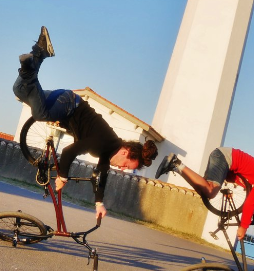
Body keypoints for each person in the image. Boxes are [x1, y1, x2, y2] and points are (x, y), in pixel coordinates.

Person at [13, 26, 158, 220]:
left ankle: (40, 52)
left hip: (65, 102)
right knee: (40, 113)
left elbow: (101, 178)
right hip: (68, 104)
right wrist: (63, 176)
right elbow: (68, 151)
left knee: (20, 90)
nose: (122, 169)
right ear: (125, 152)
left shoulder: (107, 152)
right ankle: (31, 70)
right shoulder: (103, 143)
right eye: (126, 165)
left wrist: (99, 204)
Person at [155, 148, 254, 250]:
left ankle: (175, 167)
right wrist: (243, 227)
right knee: (211, 191)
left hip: (222, 157)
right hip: (224, 158)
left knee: (203, 190)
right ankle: (176, 162)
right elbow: (251, 202)